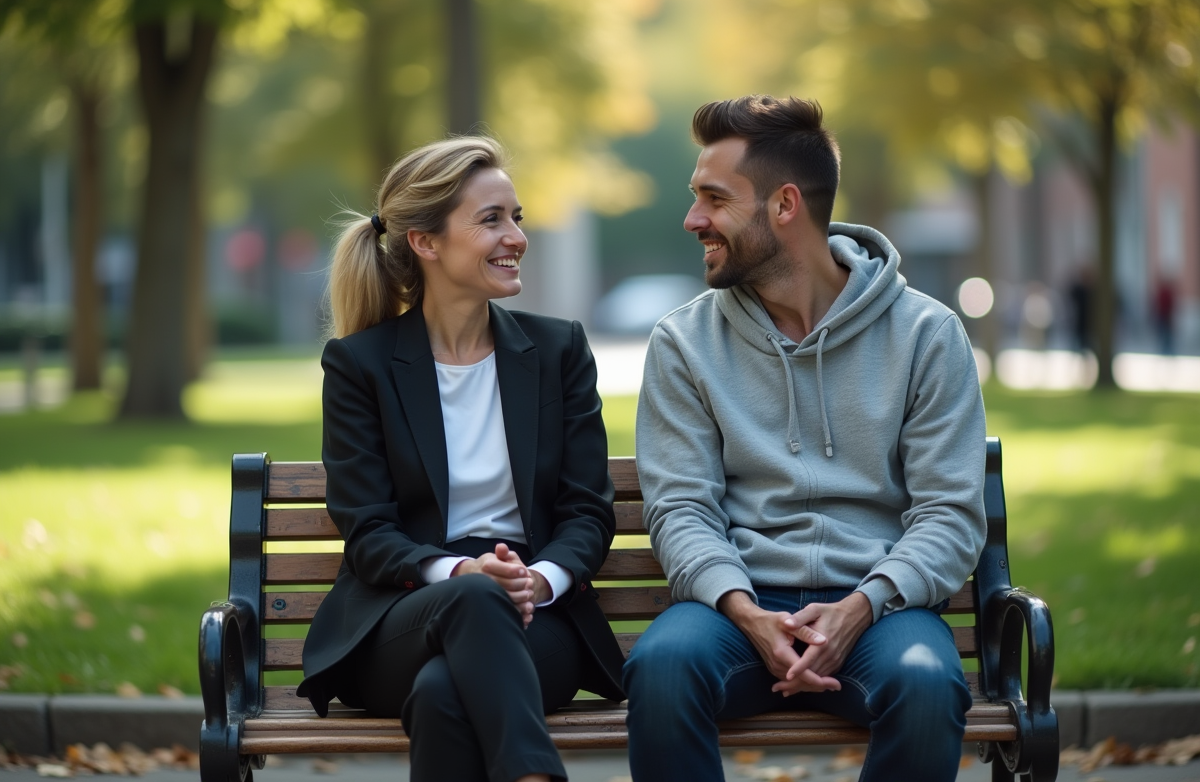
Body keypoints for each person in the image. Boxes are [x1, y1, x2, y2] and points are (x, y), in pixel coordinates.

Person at [624, 96, 986, 782]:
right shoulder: (684, 342)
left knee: (926, 683)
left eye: (713, 198)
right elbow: (682, 509)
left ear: (785, 206)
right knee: (662, 669)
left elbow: (948, 513)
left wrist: (863, 605)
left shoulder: (927, 335)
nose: (692, 219)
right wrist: (746, 611)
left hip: (881, 612)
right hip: (734, 610)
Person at [296, 136, 625, 782]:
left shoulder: (558, 352)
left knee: (445, 696)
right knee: (472, 598)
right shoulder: (361, 366)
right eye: (491, 219)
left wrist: (542, 580)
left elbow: (588, 511)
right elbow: (369, 532)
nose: (516, 237)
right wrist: (460, 571)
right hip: (400, 615)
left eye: (517, 218)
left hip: (538, 615)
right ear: (426, 242)